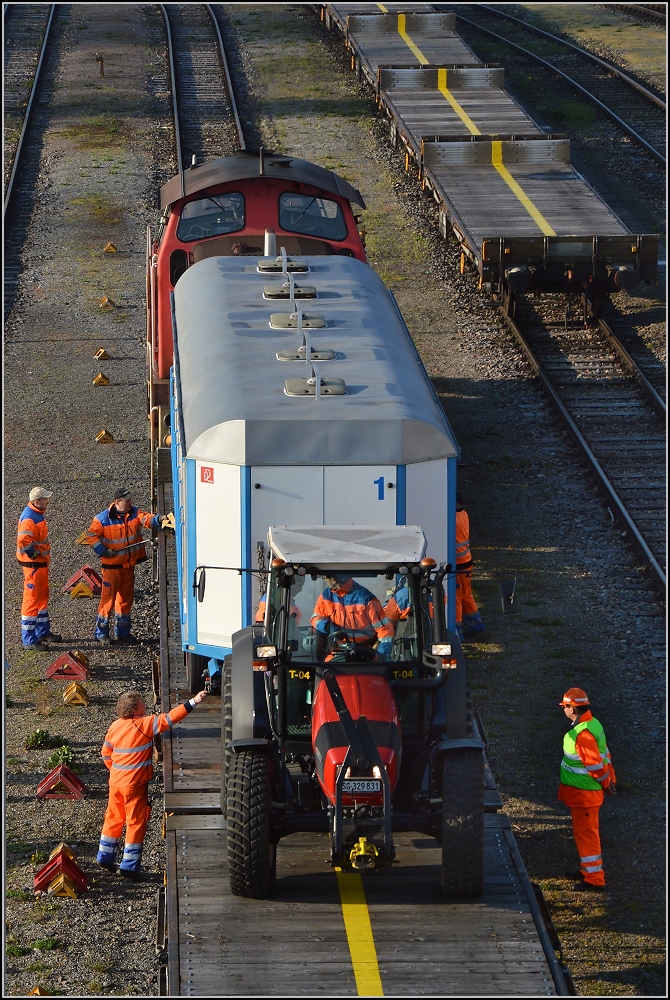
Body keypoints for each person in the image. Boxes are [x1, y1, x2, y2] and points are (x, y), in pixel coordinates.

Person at [96, 688, 208, 879]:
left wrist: (116, 772)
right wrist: (194, 701)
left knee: (114, 817)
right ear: (134, 709)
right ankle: (129, 866)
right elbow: (170, 718)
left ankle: (105, 857)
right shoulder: (144, 724)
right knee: (135, 822)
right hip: (135, 784)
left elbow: (105, 754)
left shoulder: (115, 726)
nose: (145, 705)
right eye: (141, 703)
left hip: (115, 782)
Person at [85, 487, 173, 645]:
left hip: (128, 566)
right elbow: (91, 535)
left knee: (125, 600)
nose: (131, 502)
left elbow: (146, 519)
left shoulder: (133, 512)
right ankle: (101, 633)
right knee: (108, 601)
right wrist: (103, 551)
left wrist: (160, 519)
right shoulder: (102, 519)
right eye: (127, 500)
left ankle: (123, 633)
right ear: (117, 502)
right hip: (112, 568)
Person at [558, 687, 616, 892]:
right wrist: (610, 779)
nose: (563, 711)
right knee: (584, 833)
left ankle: (594, 878)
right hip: (584, 794)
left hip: (585, 795)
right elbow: (605, 755)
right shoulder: (593, 724)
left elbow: (594, 766)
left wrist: (606, 782)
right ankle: (587, 871)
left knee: (587, 834)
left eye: (564, 707)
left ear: (572, 709)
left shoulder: (581, 734)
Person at [16, 487, 62, 649]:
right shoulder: (30, 517)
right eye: (45, 499)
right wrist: (34, 555)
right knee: (32, 600)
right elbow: (23, 539)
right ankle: (29, 639)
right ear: (37, 501)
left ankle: (42, 631)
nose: (47, 501)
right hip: (34, 565)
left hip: (40, 564)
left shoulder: (35, 515)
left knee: (42, 597)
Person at [311, 573, 393, 661]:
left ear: (334, 580)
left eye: (325, 577)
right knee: (324, 671)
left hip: (364, 653)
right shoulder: (326, 596)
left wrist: (379, 657)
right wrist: (327, 626)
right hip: (337, 652)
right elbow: (315, 618)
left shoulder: (366, 599)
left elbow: (385, 632)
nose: (324, 580)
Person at [455, 494, 485, 642]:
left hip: (458, 564)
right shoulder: (464, 514)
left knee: (456, 599)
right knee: (466, 595)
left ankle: (457, 633)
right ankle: (476, 625)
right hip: (466, 561)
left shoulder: (452, 519)